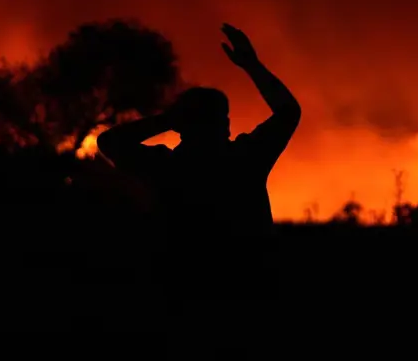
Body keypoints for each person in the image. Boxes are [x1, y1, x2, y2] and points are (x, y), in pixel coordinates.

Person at [97, 23, 301, 300]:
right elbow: (288, 111)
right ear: (225, 124)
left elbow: (109, 142)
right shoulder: (246, 159)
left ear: (181, 125)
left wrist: (168, 120)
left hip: (184, 289)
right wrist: (252, 66)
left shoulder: (166, 167)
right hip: (250, 289)